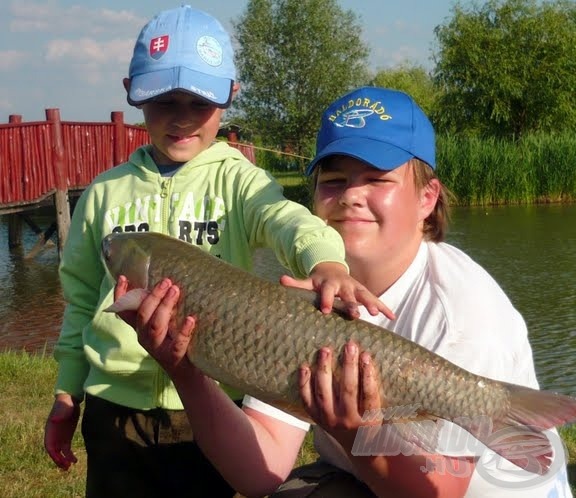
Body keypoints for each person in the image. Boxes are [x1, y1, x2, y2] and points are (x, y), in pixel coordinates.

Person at [117, 86, 574, 498]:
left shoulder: (462, 312)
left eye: (377, 179)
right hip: (369, 479)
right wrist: (186, 371)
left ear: (427, 199)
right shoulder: (309, 296)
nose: (352, 195)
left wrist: (357, 433)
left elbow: (439, 493)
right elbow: (260, 472)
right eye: (334, 181)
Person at [42, 7, 391, 497]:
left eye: (199, 101)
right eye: (164, 101)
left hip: (207, 403)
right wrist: (66, 392)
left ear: (230, 95)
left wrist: (325, 262)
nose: (181, 117)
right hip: (114, 406)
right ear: (133, 92)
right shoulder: (103, 193)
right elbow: (80, 300)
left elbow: (286, 220)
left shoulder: (239, 180)